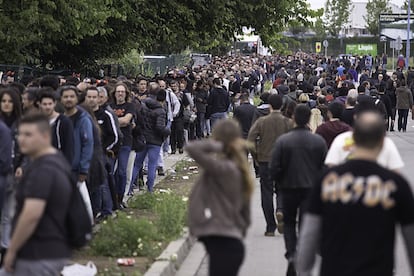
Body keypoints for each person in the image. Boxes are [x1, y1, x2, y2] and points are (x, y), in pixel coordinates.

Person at [297, 111, 414, 276]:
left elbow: (309, 234)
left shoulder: (327, 181)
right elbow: (410, 238)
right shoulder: (395, 185)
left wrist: (304, 271)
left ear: (354, 139)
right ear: (382, 141)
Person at [0, 112, 72, 275]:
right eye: (20, 134)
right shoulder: (55, 160)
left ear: (46, 136)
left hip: (38, 254)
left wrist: (11, 250)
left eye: (28, 134)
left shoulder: (43, 170)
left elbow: (31, 215)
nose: (21, 139)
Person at [186, 119, 253, 276]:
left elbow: (191, 148)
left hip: (224, 243)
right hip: (228, 242)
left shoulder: (224, 169)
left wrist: (220, 144)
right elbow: (246, 215)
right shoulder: (235, 167)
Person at [270, 104, 327, 276]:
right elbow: (324, 167)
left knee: (288, 223)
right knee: (305, 224)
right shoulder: (318, 141)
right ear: (309, 118)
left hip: (288, 187)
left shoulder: (283, 141)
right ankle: (302, 253)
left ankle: (292, 254)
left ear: (293, 118)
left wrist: (279, 181)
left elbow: (274, 167)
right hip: (311, 189)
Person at [248, 94, 294, 236]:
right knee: (282, 189)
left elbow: (250, 139)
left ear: (270, 105)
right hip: (283, 161)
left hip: (265, 160)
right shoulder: (288, 122)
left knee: (266, 192)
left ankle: (270, 227)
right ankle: (280, 209)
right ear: (281, 106)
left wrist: (256, 155)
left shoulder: (261, 121)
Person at [325, 100, 404, 172]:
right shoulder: (385, 142)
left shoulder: (341, 140)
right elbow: (396, 171)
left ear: (355, 117)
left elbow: (331, 166)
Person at [131, 89, 170, 192]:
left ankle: (130, 187)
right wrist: (167, 131)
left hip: (143, 139)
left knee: (137, 164)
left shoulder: (144, 107)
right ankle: (150, 189)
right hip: (155, 142)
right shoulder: (160, 111)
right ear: (164, 99)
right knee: (152, 165)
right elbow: (160, 127)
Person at [60, 86, 93, 183]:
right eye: (65, 97)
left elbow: (88, 143)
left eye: (71, 96)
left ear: (77, 99)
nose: (69, 99)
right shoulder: (60, 120)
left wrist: (84, 169)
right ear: (61, 99)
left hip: (76, 170)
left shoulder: (83, 120)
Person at [110, 82, 135, 207]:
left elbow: (126, 121)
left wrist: (113, 121)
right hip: (112, 144)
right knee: (110, 172)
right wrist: (119, 121)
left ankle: (120, 197)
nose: (120, 93)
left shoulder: (130, 106)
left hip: (125, 142)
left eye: (122, 92)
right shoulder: (109, 106)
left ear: (126, 93)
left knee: (122, 171)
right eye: (118, 91)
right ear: (114, 93)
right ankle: (112, 198)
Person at [38, 88, 74, 164]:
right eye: (44, 104)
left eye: (50, 104)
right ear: (40, 104)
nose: (47, 107)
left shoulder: (64, 121)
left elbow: (69, 146)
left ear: (54, 104)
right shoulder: (37, 122)